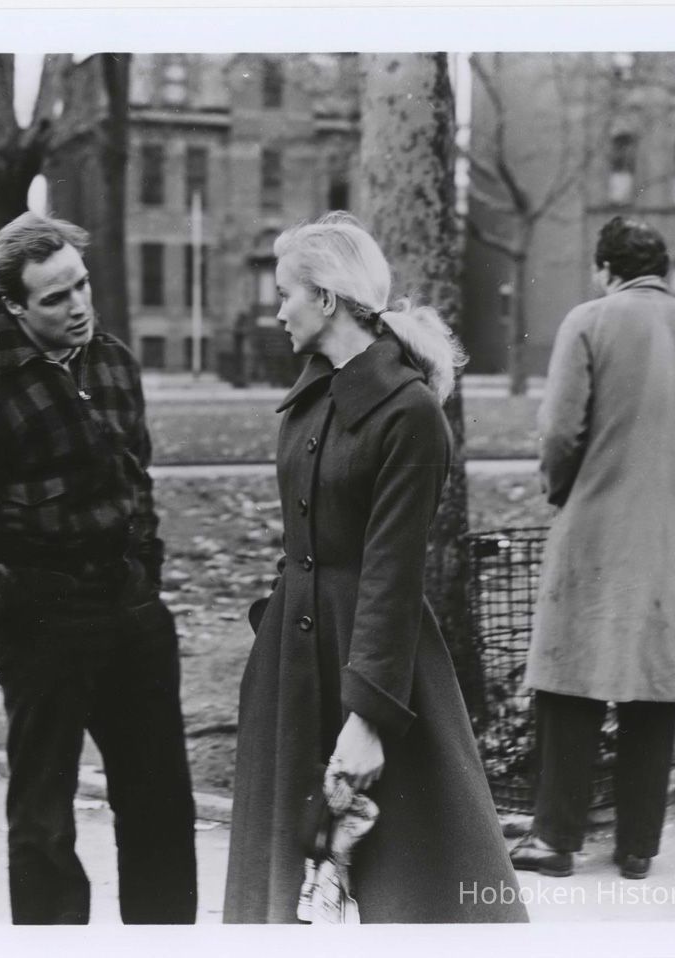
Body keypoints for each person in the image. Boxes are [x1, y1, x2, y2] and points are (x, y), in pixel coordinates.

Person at [223, 212, 527, 924]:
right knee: (289, 889)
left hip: (373, 668)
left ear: (325, 299)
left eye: (285, 295)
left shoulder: (410, 413)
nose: (276, 312)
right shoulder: (310, 396)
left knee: (410, 889)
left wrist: (368, 719)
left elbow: (393, 576)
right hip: (293, 667)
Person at [0, 212, 197, 924]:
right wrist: (14, 604)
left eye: (82, 286)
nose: (78, 307)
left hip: (133, 621)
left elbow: (138, 484)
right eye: (55, 298)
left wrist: (146, 575)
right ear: (12, 305)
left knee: (161, 810)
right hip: (45, 634)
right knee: (44, 828)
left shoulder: (115, 363)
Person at [509, 216, 675, 881]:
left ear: (604, 269)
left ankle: (555, 841)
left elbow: (559, 431)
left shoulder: (587, 322)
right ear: (663, 268)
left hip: (596, 525)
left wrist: (562, 490)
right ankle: (639, 847)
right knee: (656, 685)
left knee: (569, 678)